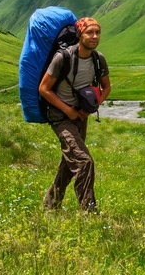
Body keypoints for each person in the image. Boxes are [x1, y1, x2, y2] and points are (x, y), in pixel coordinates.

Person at [39, 17, 111, 213]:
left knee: (69, 162)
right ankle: (89, 213)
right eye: (90, 32)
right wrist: (68, 110)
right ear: (79, 35)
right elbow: (44, 89)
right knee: (83, 161)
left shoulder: (98, 58)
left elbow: (106, 87)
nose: (94, 36)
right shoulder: (63, 58)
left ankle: (50, 205)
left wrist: (88, 109)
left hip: (81, 116)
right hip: (60, 116)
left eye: (97, 32)